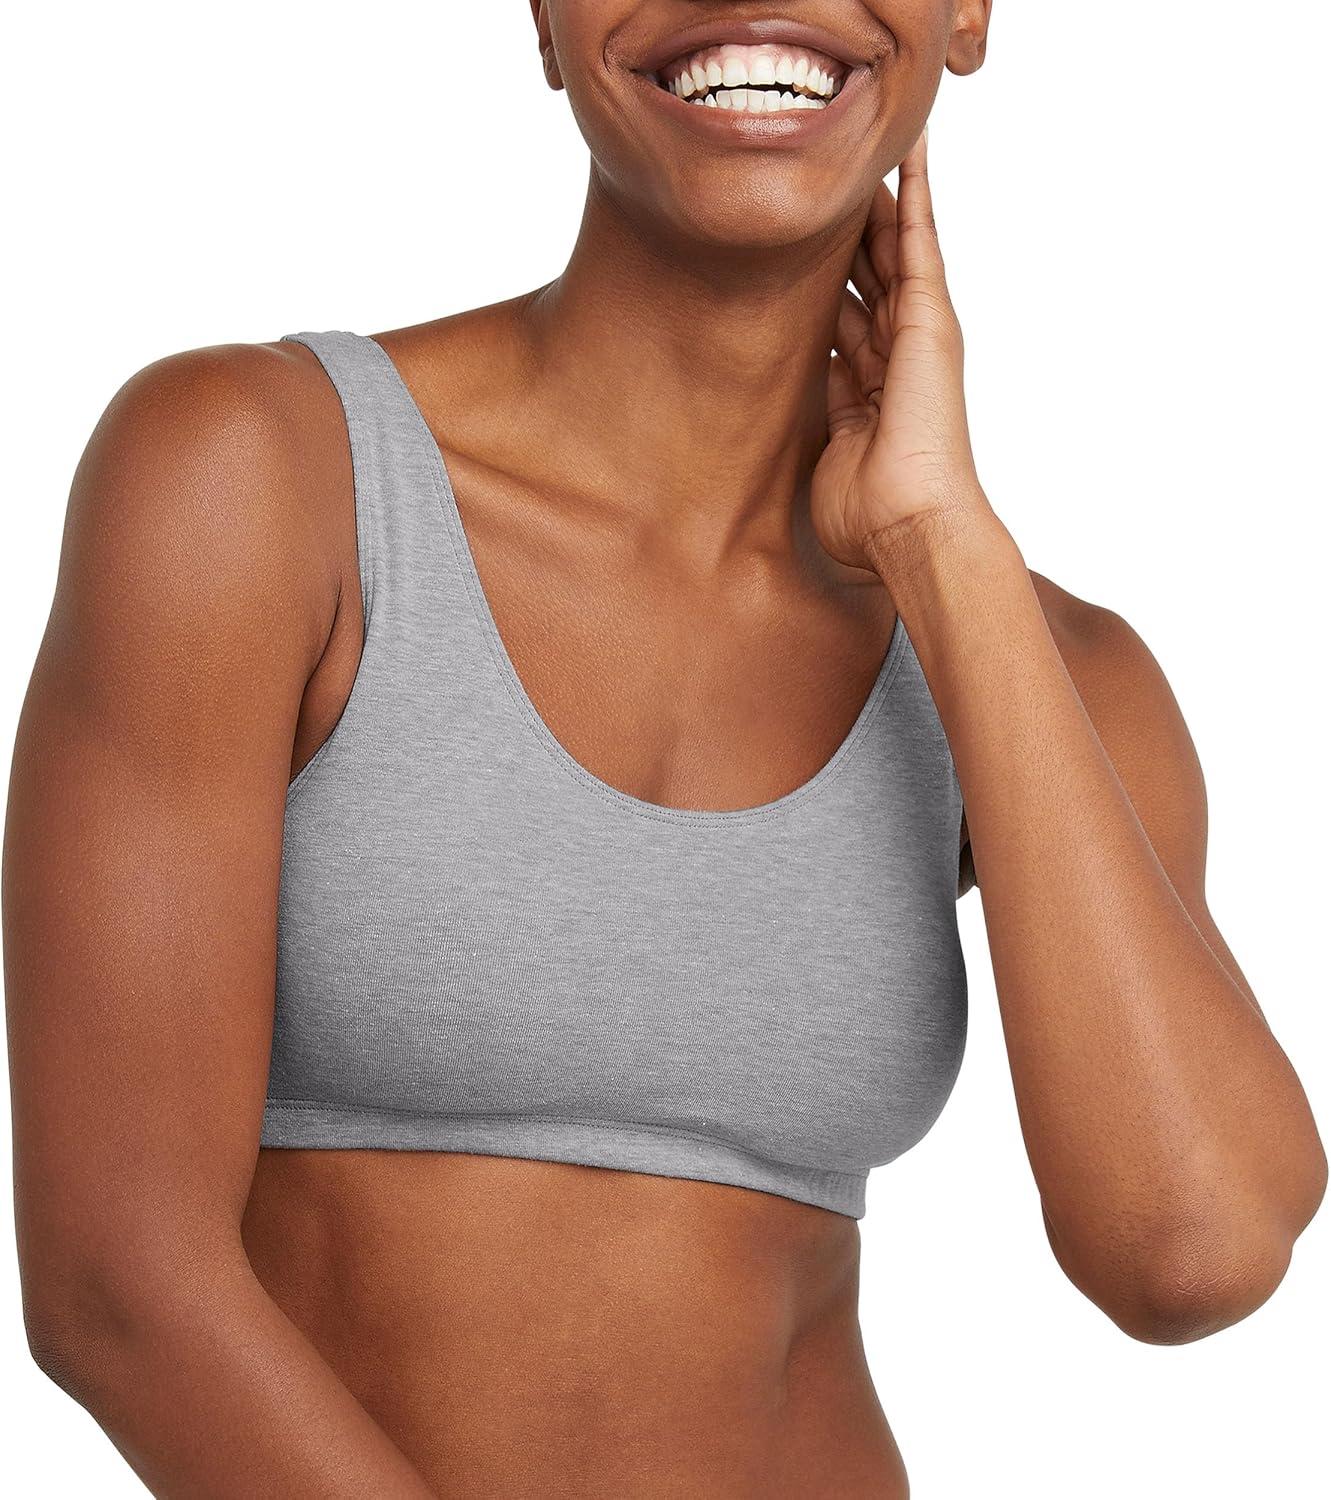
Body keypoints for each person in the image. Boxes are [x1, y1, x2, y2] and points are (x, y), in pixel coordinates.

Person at [5, 3, 1325, 1496]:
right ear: (545, 17)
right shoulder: (257, 477)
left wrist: (943, 548)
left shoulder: (1043, 666)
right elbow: (120, 1288)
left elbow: (1192, 1251)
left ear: (966, 13)